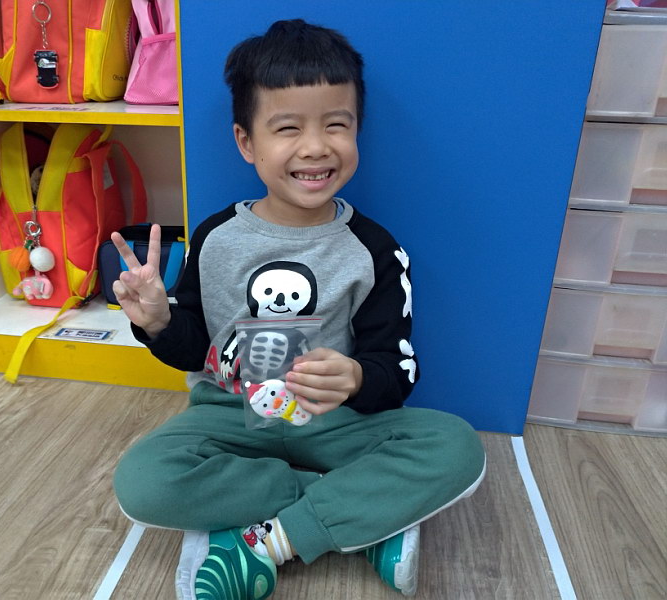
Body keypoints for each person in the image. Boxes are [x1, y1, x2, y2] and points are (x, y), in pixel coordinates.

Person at [111, 19, 486, 600]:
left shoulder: (374, 251)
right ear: (246, 142)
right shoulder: (215, 238)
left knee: (456, 446)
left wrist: (357, 376)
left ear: (357, 130)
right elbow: (195, 348)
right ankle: (356, 516)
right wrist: (160, 322)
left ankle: (269, 540)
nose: (315, 147)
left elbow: (397, 369)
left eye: (337, 125)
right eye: (288, 128)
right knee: (142, 481)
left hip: (336, 424)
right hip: (229, 420)